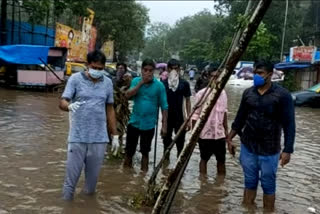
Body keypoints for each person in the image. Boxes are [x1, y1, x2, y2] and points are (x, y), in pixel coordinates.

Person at [227, 60, 295, 211]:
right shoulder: (248, 93)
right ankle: (248, 209)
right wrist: (229, 138)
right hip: (248, 146)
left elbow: (289, 124)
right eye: (254, 73)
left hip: (270, 148)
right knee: (249, 181)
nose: (256, 76)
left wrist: (288, 150)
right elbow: (240, 118)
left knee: (268, 184)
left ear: (270, 75)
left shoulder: (282, 96)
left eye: (260, 73)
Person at [59, 50, 117, 200]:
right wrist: (69, 106)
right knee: (70, 183)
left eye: (100, 69)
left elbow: (110, 109)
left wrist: (115, 134)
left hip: (99, 138)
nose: (97, 71)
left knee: (91, 185)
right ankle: (66, 208)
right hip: (77, 138)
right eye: (94, 67)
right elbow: (63, 101)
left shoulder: (108, 83)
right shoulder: (75, 79)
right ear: (87, 65)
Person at [124, 59, 168, 171]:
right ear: (142, 70)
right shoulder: (135, 81)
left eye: (150, 70)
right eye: (145, 70)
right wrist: (140, 83)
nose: (147, 73)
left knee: (145, 152)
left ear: (154, 71)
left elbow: (164, 107)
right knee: (129, 152)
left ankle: (143, 178)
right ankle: (126, 175)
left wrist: (164, 126)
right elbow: (127, 95)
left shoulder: (159, 86)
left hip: (149, 124)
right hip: (134, 122)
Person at [192, 64, 228, 175]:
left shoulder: (223, 93)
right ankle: (203, 182)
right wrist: (194, 135)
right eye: (213, 76)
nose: (216, 79)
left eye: (218, 77)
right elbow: (195, 116)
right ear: (208, 77)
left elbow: (224, 112)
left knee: (221, 160)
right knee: (204, 159)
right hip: (205, 134)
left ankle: (220, 184)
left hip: (219, 134)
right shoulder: (201, 95)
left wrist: (226, 131)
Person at [162, 59, 191, 159]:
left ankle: (179, 164)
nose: (174, 71)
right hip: (167, 117)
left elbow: (188, 101)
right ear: (168, 69)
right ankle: (165, 164)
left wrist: (189, 119)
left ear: (179, 69)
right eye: (172, 68)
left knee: (180, 144)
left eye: (176, 68)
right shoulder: (163, 84)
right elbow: (160, 101)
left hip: (180, 117)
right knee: (166, 143)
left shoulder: (184, 84)